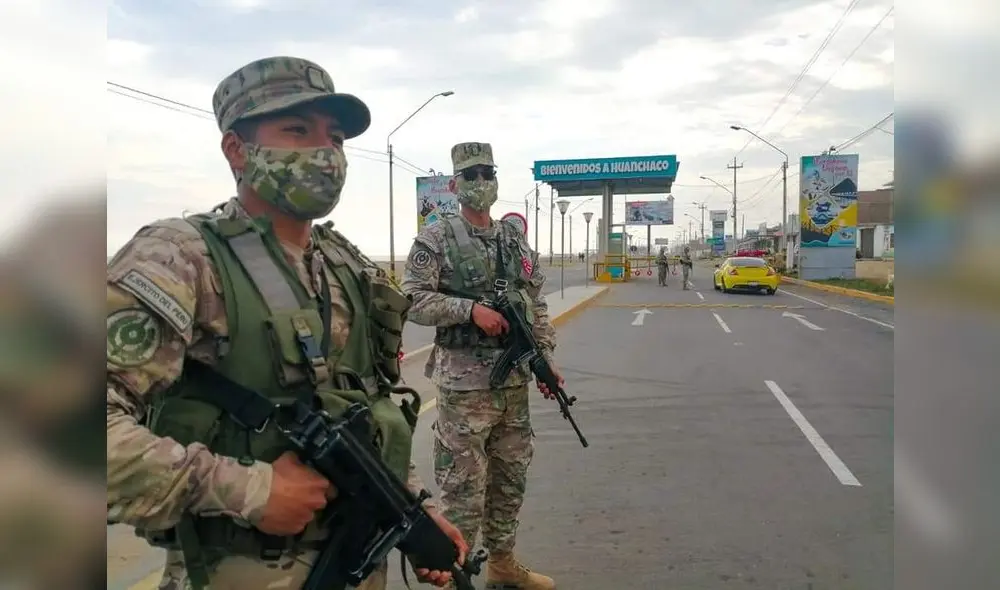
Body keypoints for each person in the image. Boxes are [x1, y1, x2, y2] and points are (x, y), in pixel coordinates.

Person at [105, 56, 465, 590]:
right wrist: (244, 489)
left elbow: (366, 409)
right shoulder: (180, 257)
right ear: (237, 150)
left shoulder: (349, 267)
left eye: (336, 137)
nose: (325, 153)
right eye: (296, 131)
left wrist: (409, 512)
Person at [401, 142, 559, 590]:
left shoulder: (512, 238)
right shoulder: (435, 237)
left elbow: (536, 300)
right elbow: (411, 299)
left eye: (487, 173)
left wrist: (544, 356)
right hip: (464, 390)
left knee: (510, 481)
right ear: (454, 185)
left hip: (513, 385)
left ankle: (503, 566)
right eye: (470, 175)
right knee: (463, 491)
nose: (480, 183)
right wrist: (468, 311)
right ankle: (453, 575)